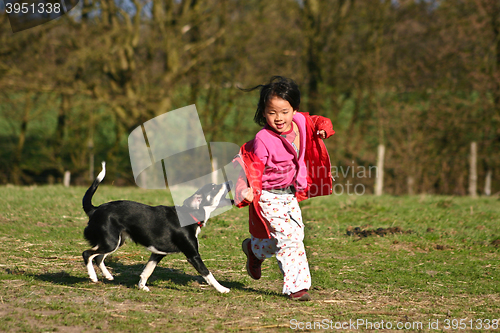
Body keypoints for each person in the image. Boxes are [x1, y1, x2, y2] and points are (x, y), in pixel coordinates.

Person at [232, 76, 335, 301]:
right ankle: (297, 288)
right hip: (267, 196)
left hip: (290, 194)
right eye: (272, 113)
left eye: (284, 112)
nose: (279, 118)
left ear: (294, 109)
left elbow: (317, 120)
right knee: (291, 237)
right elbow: (249, 167)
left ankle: (254, 250)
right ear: (263, 112)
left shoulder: (300, 123)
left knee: (290, 236)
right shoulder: (263, 139)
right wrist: (245, 190)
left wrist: (324, 128)